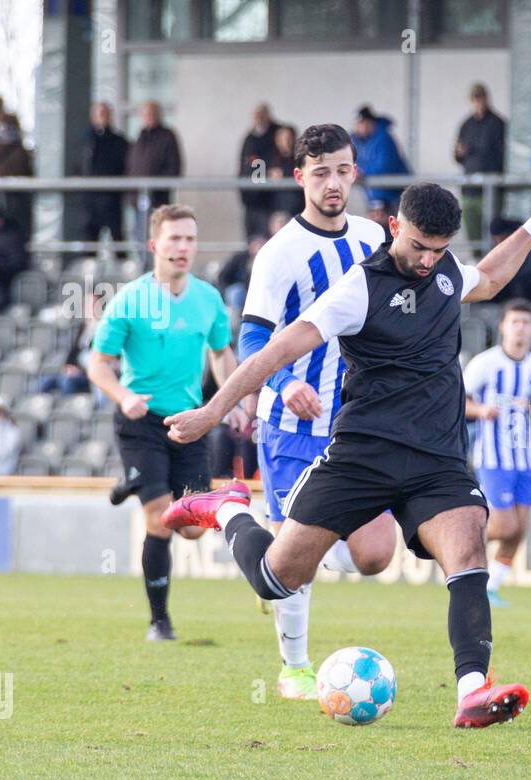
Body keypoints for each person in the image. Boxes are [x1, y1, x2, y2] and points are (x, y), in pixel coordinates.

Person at [160, 182, 531, 729]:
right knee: (276, 579)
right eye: (418, 247)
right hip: (361, 455)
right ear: (393, 229)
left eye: (439, 248)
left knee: (468, 554)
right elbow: (275, 350)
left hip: (437, 459)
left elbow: (495, 276)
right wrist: (213, 412)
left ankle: (472, 690)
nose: (428, 261)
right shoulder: (357, 289)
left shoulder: (448, 270)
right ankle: (227, 509)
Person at [235, 123, 396, 698]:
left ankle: (281, 558)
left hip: (357, 426)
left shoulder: (375, 241)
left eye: (343, 170)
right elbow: (250, 341)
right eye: (321, 172)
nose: (333, 183)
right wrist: (281, 384)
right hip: (292, 429)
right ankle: (295, 668)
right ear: (300, 176)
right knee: (295, 570)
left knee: (376, 555)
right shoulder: (280, 253)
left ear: (355, 173)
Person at [85, 204, 247, 644]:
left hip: (190, 425)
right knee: (159, 520)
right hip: (141, 424)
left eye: (190, 239)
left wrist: (230, 400)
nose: (183, 247)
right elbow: (98, 365)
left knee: (193, 528)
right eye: (174, 239)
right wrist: (123, 395)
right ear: (155, 244)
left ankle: (133, 482)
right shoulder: (130, 300)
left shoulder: (208, 299)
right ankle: (160, 621)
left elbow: (220, 353)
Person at [463, 300, 531, 607]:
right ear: (503, 326)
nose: (520, 327)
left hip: (524, 459)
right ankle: (460, 551)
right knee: (504, 526)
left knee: (519, 530)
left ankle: (491, 588)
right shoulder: (485, 364)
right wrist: (480, 410)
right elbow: (458, 402)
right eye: (515, 321)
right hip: (493, 458)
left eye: (526, 322)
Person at [454, 83, 506, 244]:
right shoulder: (466, 125)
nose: (478, 102)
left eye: (480, 98)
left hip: (491, 188)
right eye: (475, 99)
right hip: (470, 189)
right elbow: (457, 155)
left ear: (486, 99)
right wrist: (459, 152)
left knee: (493, 231)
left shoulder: (497, 123)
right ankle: (478, 260)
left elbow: (502, 155)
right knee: (472, 230)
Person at [81, 102, 129, 246]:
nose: (102, 117)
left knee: (118, 241)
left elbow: (124, 167)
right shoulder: (85, 141)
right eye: (99, 114)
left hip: (111, 200)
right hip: (90, 201)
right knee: (89, 243)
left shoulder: (119, 142)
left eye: (105, 114)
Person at [352, 105, 409, 218]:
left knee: (394, 228)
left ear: (372, 123)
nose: (361, 127)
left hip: (393, 196)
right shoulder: (355, 139)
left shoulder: (384, 138)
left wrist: (362, 172)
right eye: (358, 124)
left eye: (364, 123)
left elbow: (385, 166)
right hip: (372, 197)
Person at [127, 101, 184, 213]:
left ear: (159, 115)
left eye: (152, 113)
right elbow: (131, 164)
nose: (149, 116)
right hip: (138, 197)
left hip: (159, 199)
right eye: (146, 114)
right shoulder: (140, 136)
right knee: (140, 229)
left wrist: (158, 186)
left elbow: (174, 167)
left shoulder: (167, 136)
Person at [488, 217, 531, 305]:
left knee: (521, 283)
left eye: (501, 238)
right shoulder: (503, 246)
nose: (499, 242)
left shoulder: (529, 238)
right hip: (517, 283)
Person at [238, 103, 280, 239]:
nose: (258, 119)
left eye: (261, 115)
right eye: (256, 116)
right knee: (252, 237)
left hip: (271, 198)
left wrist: (266, 172)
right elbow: (244, 164)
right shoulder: (250, 137)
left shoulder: (276, 134)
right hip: (251, 196)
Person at [267, 125, 303, 217]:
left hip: (298, 210)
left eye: (288, 138)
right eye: (281, 139)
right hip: (276, 211)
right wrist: (268, 175)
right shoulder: (269, 159)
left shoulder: (301, 159)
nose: (285, 142)